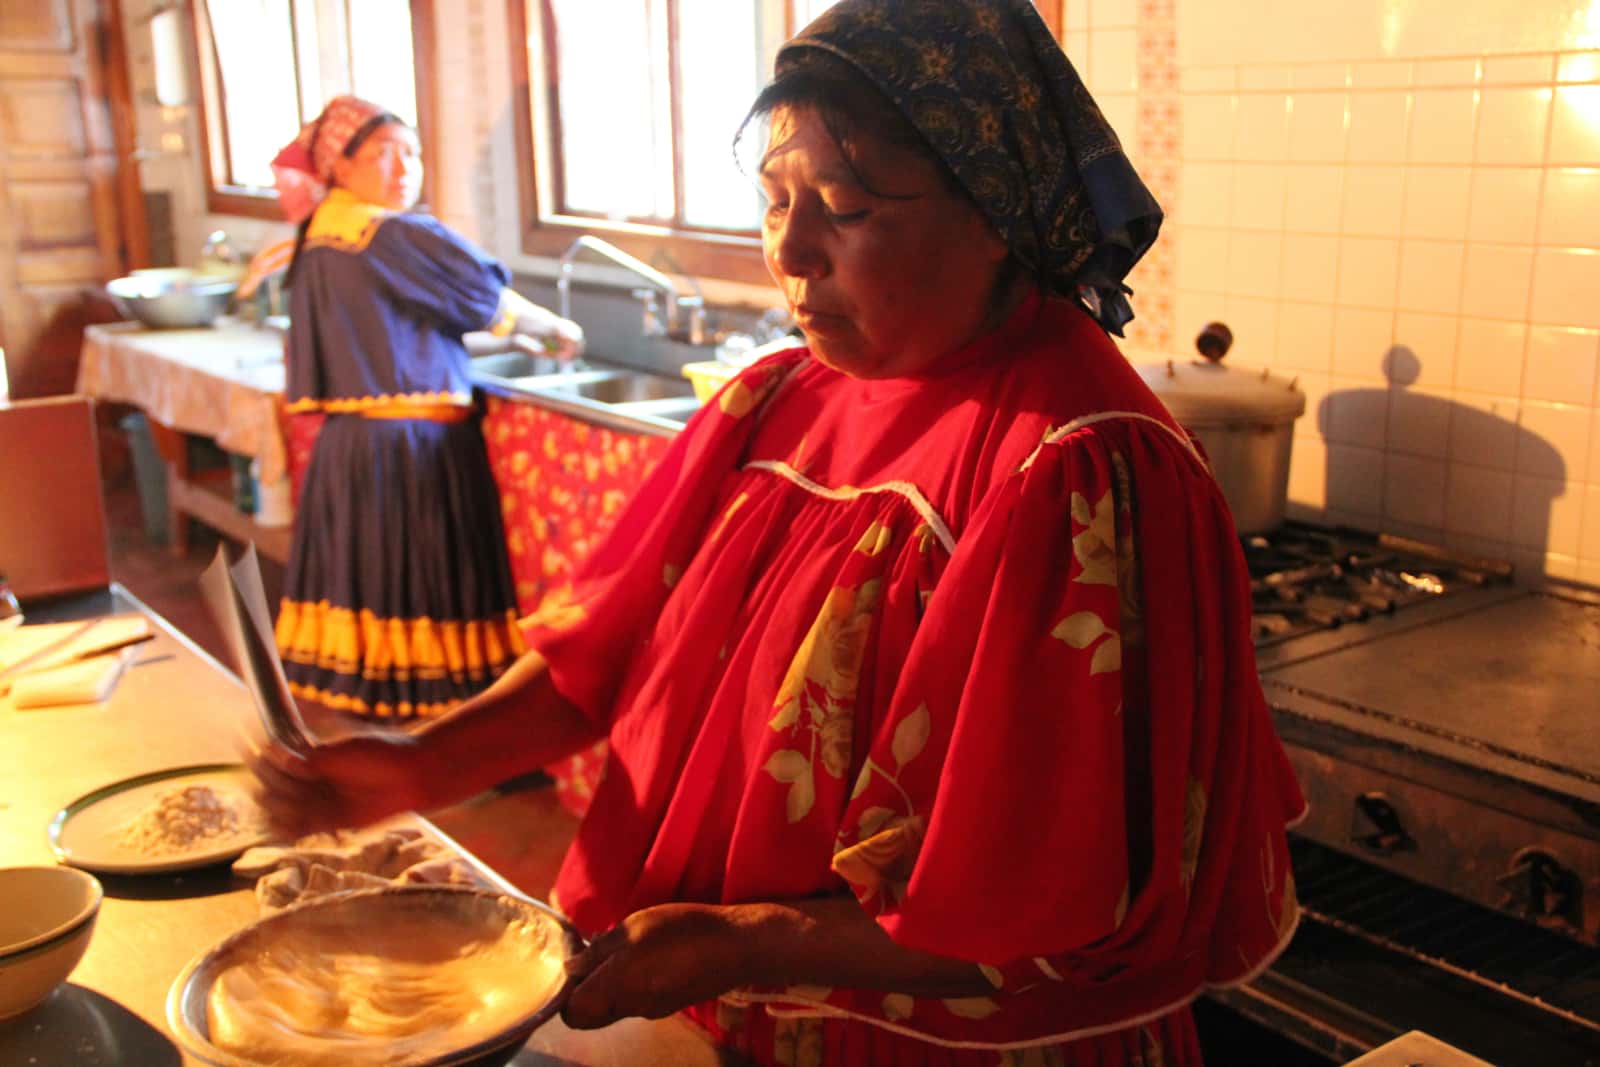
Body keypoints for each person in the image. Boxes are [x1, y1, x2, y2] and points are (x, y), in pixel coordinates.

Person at [252, 6, 1305, 1064]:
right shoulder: (774, 401)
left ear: (995, 209)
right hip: (744, 1017)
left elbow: (1069, 898)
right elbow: (601, 659)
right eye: (773, 201)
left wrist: (746, 936)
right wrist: (410, 765)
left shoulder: (1075, 465)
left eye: (844, 209)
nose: (791, 251)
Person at [267, 95, 583, 721]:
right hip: (412, 447)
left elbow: (415, 312)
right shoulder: (392, 233)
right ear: (341, 166)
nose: (403, 169)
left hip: (352, 448)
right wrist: (559, 333)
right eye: (383, 154)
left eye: (411, 153)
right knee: (422, 585)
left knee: (372, 586)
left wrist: (513, 331)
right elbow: (486, 299)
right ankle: (444, 734)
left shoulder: (322, 232)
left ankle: (379, 728)